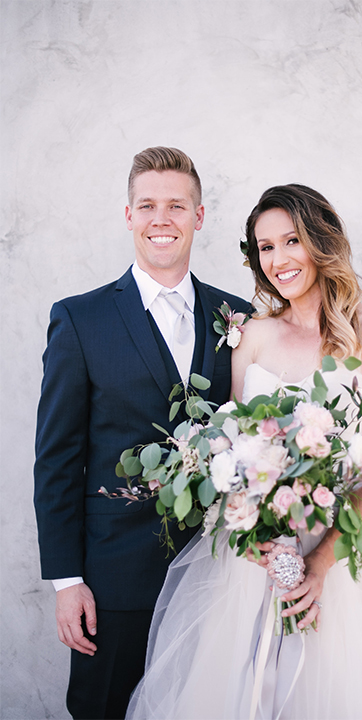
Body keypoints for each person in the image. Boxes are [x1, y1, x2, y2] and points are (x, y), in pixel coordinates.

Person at [125, 183, 362, 720]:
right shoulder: (251, 337)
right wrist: (248, 532)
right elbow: (234, 450)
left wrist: (319, 559)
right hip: (258, 562)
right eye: (265, 247)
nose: (279, 259)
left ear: (321, 241)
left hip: (348, 549)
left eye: (291, 240)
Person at [33, 146, 252, 720]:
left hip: (218, 575)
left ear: (199, 217)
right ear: (128, 215)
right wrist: (66, 581)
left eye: (177, 206)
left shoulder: (240, 317)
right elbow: (57, 458)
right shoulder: (80, 320)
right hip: (114, 582)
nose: (163, 218)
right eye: (148, 205)